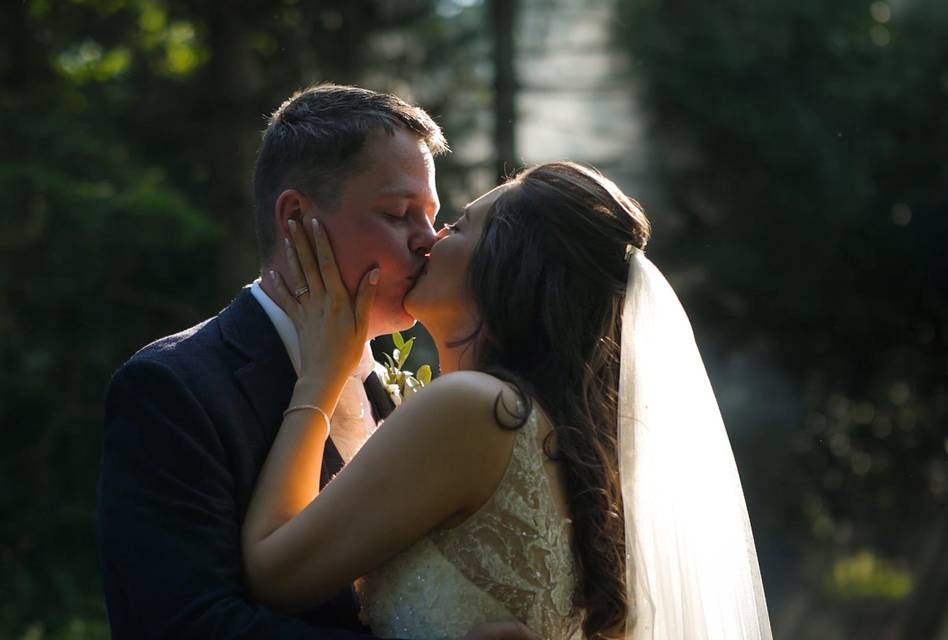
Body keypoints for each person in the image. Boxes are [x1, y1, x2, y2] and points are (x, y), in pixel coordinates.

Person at [241, 161, 774, 639]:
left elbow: (275, 574)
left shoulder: (473, 410)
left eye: (458, 226)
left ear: (503, 266)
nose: (430, 239)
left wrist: (321, 376)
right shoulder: (560, 439)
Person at [97, 84, 539, 639]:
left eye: (432, 216)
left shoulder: (410, 394)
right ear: (296, 218)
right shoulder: (173, 388)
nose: (428, 242)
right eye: (399, 214)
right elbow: (189, 624)